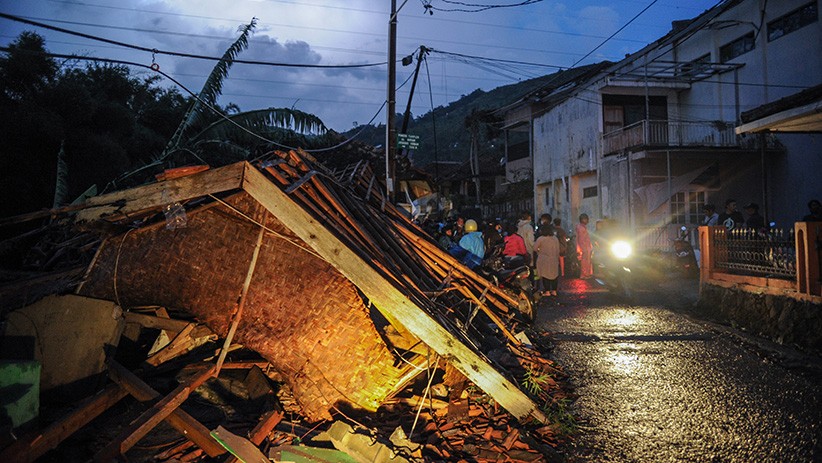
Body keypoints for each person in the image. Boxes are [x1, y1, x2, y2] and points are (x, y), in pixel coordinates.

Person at [534, 225, 561, 297]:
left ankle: (547, 291)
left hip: (544, 260)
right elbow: (558, 249)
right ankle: (554, 291)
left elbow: (535, 248)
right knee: (554, 275)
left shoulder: (541, 239)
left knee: (545, 275)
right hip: (554, 259)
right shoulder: (555, 238)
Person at [575, 213, 593, 279]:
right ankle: (585, 274)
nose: (587, 221)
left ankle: (586, 274)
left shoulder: (581, 227)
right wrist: (584, 249)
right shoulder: (581, 228)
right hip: (584, 248)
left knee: (586, 261)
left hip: (586, 247)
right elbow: (581, 240)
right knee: (585, 261)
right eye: (586, 219)